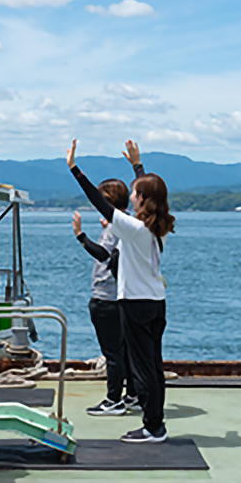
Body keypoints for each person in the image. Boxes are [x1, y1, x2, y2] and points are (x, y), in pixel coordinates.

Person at [67, 139, 174, 443]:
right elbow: (154, 194)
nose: (134, 196)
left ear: (142, 200)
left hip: (136, 305)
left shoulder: (134, 228)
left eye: (137, 193)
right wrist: (138, 166)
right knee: (153, 365)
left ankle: (153, 428)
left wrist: (75, 169)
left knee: (142, 370)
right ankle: (157, 424)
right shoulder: (160, 226)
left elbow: (99, 203)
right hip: (156, 303)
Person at [72, 149, 145, 417]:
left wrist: (81, 236)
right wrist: (138, 167)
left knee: (112, 352)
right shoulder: (132, 223)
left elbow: (103, 255)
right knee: (125, 351)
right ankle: (133, 394)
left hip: (106, 299)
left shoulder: (115, 227)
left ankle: (114, 400)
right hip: (124, 298)